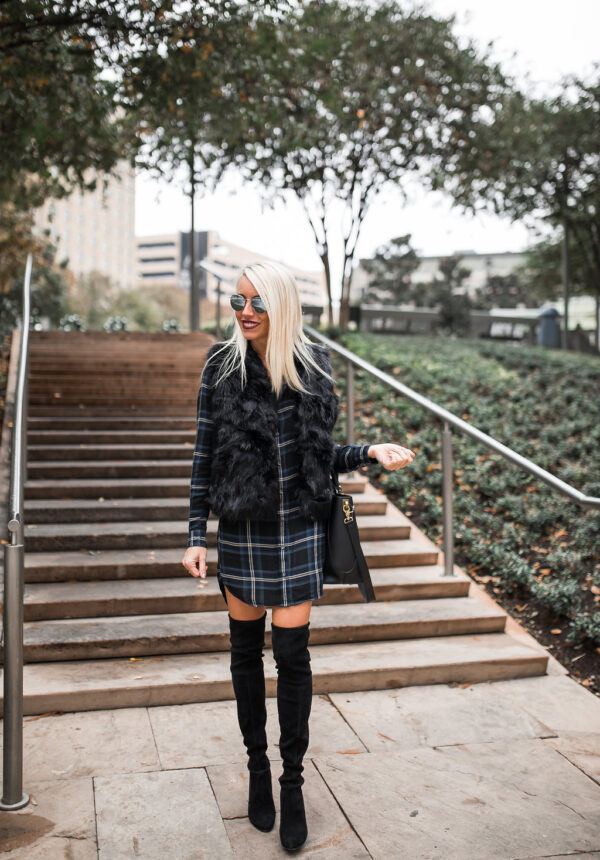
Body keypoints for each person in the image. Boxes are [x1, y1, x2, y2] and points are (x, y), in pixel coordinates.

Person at [181, 261, 415, 852]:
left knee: (292, 660)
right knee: (244, 655)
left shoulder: (313, 365)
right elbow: (203, 455)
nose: (246, 313)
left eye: (256, 302)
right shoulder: (221, 365)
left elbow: (317, 453)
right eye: (237, 303)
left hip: (298, 532)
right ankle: (256, 768)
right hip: (243, 528)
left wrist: (368, 452)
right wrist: (194, 535)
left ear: (283, 304)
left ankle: (291, 783)